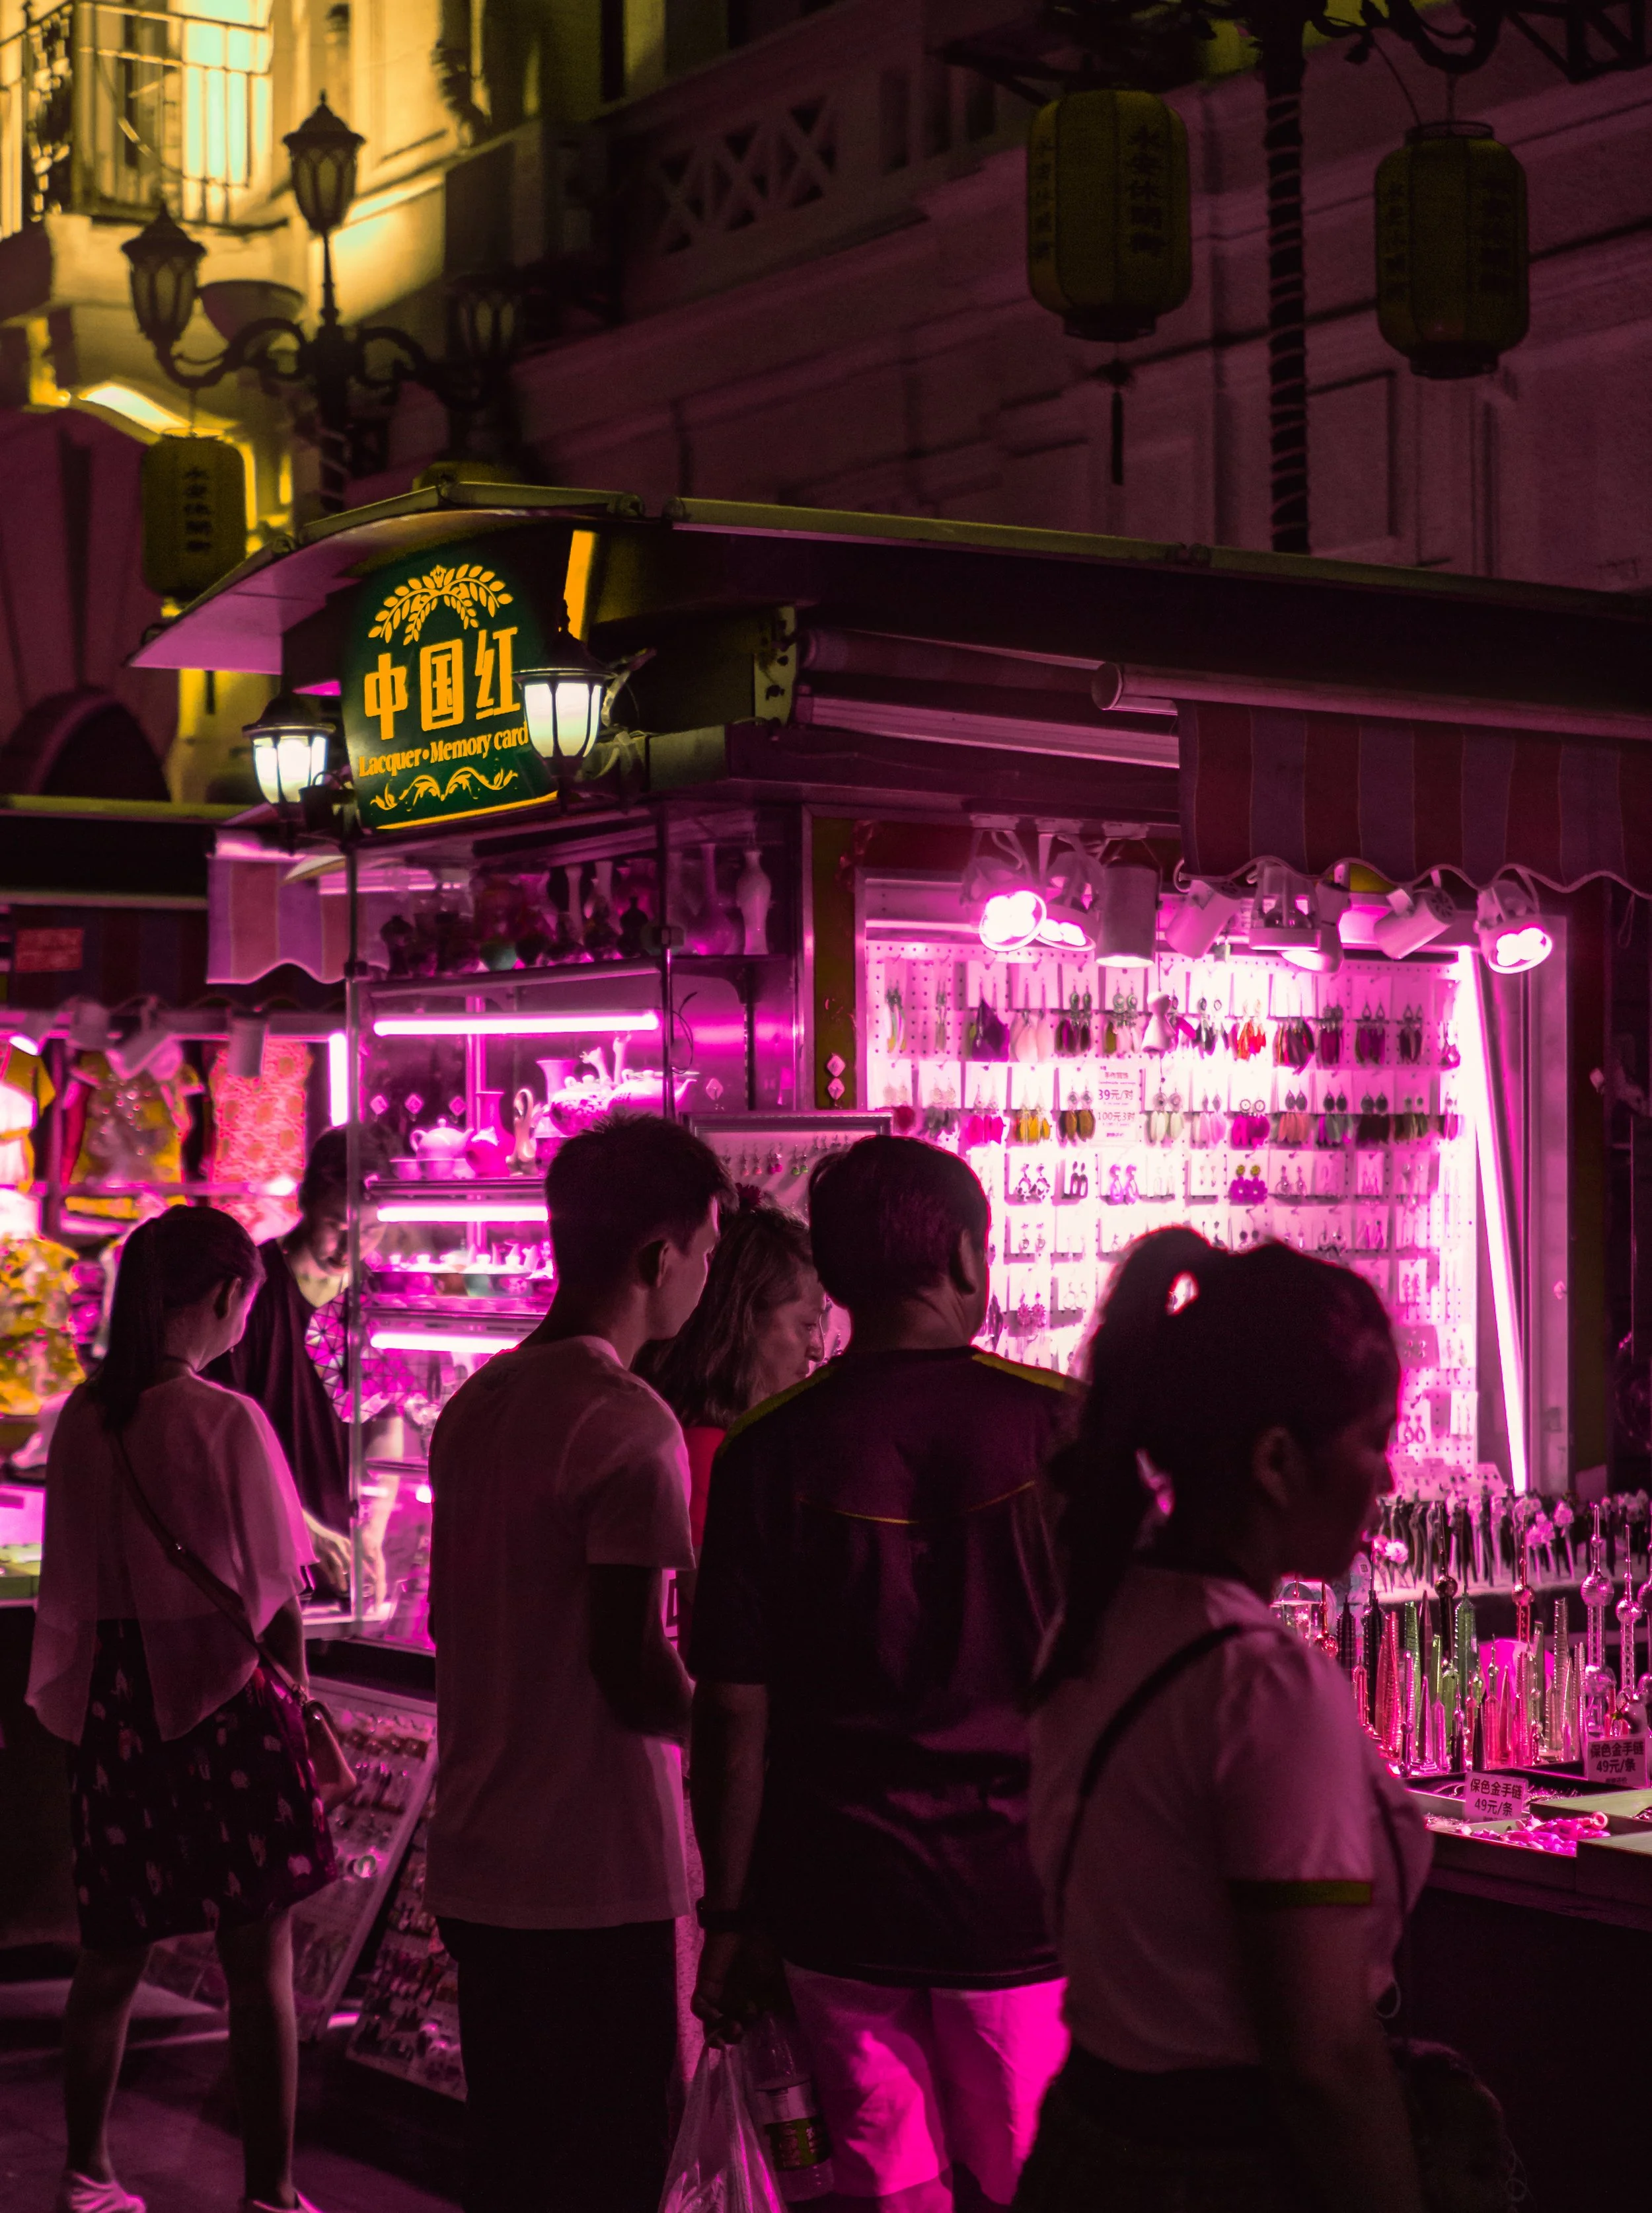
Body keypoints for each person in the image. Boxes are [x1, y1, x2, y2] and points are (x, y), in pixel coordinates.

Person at [690, 1135, 1077, 2213]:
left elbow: (732, 1709)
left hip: (836, 1898)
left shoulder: (768, 1447)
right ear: (965, 1255)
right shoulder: (1053, 1424)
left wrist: (727, 1915)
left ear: (840, 1277)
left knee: (882, 2187)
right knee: (1030, 2177)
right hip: (1016, 1899)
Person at [1014, 1229, 1430, 2213]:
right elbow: (1325, 2057)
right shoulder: (1264, 1689)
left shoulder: (1100, 1625)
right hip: (1225, 2173)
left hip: (1090, 2143)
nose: (1390, 1481)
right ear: (1279, 1459)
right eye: (1375, 1441)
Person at [425, 1110, 730, 2213]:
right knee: (609, 2163)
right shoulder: (625, 1421)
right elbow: (629, 1662)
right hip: (593, 1875)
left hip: (481, 1851)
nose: (708, 1273)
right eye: (707, 1250)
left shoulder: (477, 1405)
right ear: (661, 1256)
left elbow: (455, 1624)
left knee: (513, 2159)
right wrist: (733, 1730)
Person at [27, 1206, 338, 2213]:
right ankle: (271, 2190)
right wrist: (302, 1700)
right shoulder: (225, 1421)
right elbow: (275, 1595)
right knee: (260, 1965)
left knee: (109, 1953)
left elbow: (69, 1585)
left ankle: (87, 2171)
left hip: (118, 1703)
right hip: (224, 1704)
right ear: (222, 1297)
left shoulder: (84, 1416)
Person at [207, 1127, 390, 1605]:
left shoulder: (379, 1297)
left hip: (346, 1554)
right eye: (338, 1225)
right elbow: (226, 1437)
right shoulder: (254, 1289)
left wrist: (373, 1531)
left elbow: (388, 1421)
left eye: (370, 1231)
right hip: (257, 1547)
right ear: (305, 1201)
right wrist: (300, 1529)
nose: (351, 1248)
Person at [638, 1194, 825, 1550]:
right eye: (806, 1324)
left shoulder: (737, 1440)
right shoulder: (708, 1455)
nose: (817, 1347)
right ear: (745, 1322)